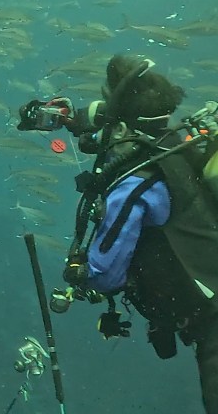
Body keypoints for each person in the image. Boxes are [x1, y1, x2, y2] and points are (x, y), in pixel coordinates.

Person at [17, 53, 218, 413]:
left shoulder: (137, 183)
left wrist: (81, 275)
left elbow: (105, 274)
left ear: (122, 125)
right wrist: (71, 119)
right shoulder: (178, 141)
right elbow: (110, 119)